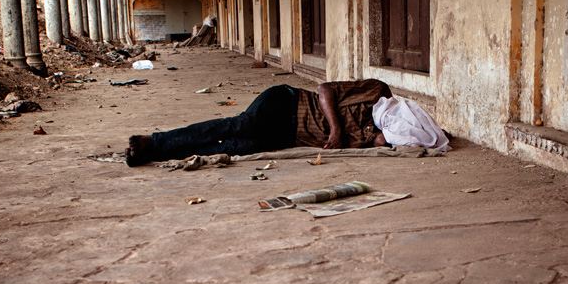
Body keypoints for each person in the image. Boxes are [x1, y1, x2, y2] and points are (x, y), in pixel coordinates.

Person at [125, 78, 392, 166]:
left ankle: (156, 154)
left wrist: (392, 135)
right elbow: (325, 89)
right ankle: (155, 140)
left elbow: (381, 142)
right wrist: (335, 128)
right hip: (287, 103)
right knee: (236, 126)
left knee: (232, 148)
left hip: (288, 136)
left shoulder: (386, 131)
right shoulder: (377, 91)